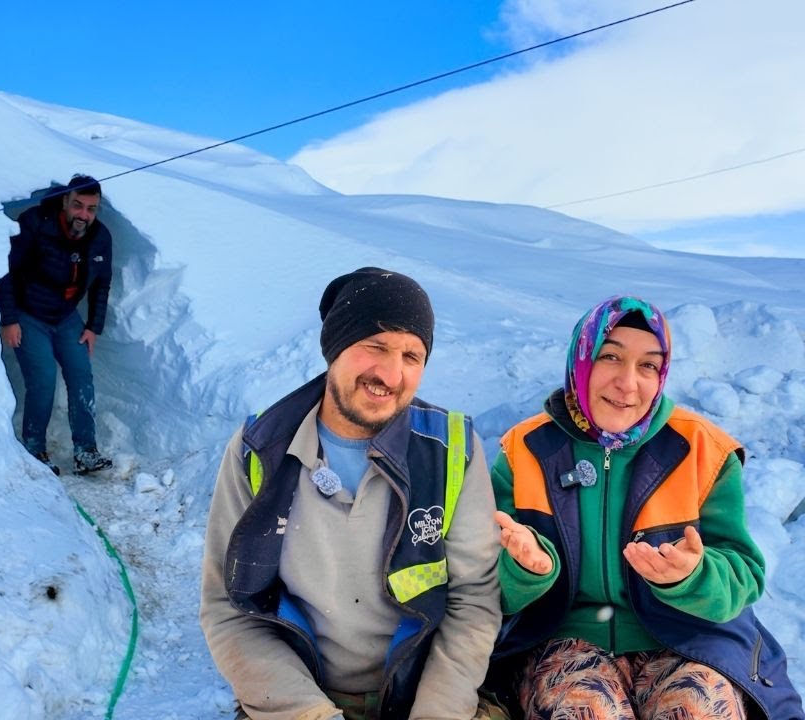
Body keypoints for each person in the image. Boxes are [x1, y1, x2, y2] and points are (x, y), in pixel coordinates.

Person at [200, 267, 503, 720]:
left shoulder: (451, 451)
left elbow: (474, 601)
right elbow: (228, 607)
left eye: (412, 356)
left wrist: (436, 713)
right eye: (375, 346)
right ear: (335, 346)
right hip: (302, 701)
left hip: (425, 697)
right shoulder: (260, 450)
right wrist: (309, 714)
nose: (391, 373)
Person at [488, 295, 804, 720]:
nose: (628, 382)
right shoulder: (522, 451)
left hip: (688, 640)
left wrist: (693, 576)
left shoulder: (703, 450)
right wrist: (526, 570)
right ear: (580, 361)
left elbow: (743, 576)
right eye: (610, 357)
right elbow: (486, 586)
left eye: (648, 366)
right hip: (565, 642)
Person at [0, 175, 113, 475]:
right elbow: (4, 271)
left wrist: (93, 327)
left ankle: (86, 450)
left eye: (91, 209)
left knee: (81, 374)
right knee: (44, 376)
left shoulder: (100, 237)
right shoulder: (36, 223)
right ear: (65, 202)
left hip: (65, 316)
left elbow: (102, 284)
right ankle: (34, 448)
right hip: (28, 313)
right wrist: (9, 320)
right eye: (78, 206)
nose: (84, 214)